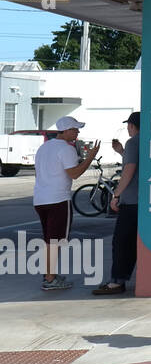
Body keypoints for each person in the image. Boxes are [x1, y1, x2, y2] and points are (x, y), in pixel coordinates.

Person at [32, 116, 100, 291]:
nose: (78, 132)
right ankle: (50, 278)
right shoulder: (66, 149)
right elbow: (74, 173)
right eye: (75, 129)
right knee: (56, 240)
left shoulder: (43, 148)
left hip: (40, 199)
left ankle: (50, 275)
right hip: (58, 199)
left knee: (49, 239)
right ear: (67, 130)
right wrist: (90, 157)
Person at [94, 112, 140, 295]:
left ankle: (117, 282)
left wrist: (116, 194)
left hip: (132, 200)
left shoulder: (133, 142)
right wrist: (121, 152)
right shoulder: (149, 142)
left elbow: (129, 170)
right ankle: (121, 279)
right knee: (133, 243)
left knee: (121, 242)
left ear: (132, 126)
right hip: (146, 201)